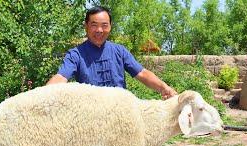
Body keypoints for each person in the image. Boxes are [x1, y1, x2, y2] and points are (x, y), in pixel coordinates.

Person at [46, 6, 177, 99]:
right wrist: (41, 96)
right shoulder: (76, 54)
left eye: (104, 25)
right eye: (93, 25)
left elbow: (142, 73)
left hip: (120, 113)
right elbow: (61, 77)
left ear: (110, 26)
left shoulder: (119, 51)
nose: (99, 30)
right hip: (90, 115)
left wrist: (164, 88)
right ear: (85, 26)